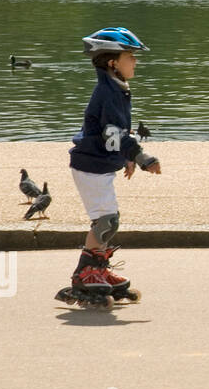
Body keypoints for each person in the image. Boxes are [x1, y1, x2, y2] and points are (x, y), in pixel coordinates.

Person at [65, 27, 161, 303]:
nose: (135, 61)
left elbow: (115, 132)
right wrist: (142, 157)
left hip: (98, 164)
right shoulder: (108, 92)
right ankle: (86, 275)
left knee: (108, 221)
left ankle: (97, 270)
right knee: (106, 221)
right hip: (90, 165)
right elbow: (113, 133)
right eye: (130, 56)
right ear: (112, 62)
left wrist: (126, 157)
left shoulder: (115, 88)